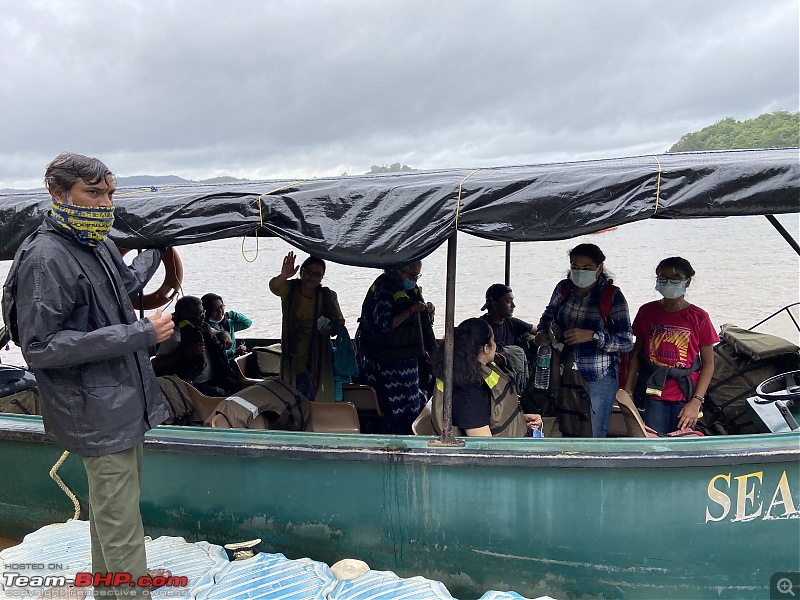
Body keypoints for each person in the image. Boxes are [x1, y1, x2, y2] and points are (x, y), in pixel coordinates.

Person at [1, 152, 174, 597]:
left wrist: (155, 250)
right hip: (95, 411)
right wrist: (140, 333)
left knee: (112, 514)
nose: (104, 204)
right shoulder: (46, 258)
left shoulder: (93, 242)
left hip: (121, 405)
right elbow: (40, 347)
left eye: (109, 193)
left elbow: (126, 286)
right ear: (59, 194)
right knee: (121, 524)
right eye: (92, 193)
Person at [535, 243, 634, 437]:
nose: (580, 272)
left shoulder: (612, 296)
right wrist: (541, 332)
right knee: (564, 427)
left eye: (587, 268)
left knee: (594, 432)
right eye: (575, 267)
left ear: (600, 267)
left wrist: (593, 336)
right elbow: (548, 316)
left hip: (597, 377)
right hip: (562, 373)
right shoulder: (564, 288)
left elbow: (626, 342)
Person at [623, 257, 718, 434]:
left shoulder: (699, 317)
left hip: (685, 395)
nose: (669, 282)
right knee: (653, 443)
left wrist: (696, 401)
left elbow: (709, 363)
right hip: (652, 393)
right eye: (663, 277)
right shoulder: (646, 311)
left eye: (676, 278)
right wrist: (627, 390)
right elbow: (635, 354)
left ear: (687, 281)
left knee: (682, 445)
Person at [357, 260, 437, 434]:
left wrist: (427, 311)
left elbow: (421, 324)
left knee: (414, 404)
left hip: (410, 359)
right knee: (395, 408)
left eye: (417, 275)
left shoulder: (410, 289)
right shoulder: (383, 289)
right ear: (399, 272)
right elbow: (384, 325)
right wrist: (411, 310)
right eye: (412, 275)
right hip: (386, 362)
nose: (415, 279)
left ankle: (412, 435)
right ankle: (397, 439)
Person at [430, 318, 542, 437]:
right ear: (486, 348)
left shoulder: (468, 372)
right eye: (493, 341)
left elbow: (489, 418)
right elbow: (482, 443)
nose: (495, 345)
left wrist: (520, 420)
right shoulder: (470, 391)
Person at [269, 252, 345, 402]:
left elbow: (339, 323)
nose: (312, 276)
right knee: (291, 396)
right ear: (301, 270)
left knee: (314, 396)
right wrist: (284, 275)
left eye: (317, 274)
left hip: (318, 356)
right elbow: (274, 287)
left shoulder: (326, 295)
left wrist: (329, 329)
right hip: (292, 354)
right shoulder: (290, 289)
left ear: (322, 277)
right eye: (309, 271)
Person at [154, 295, 242, 397]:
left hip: (213, 377)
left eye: (202, 312)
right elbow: (157, 364)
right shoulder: (173, 335)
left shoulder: (202, 326)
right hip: (192, 384)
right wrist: (185, 353)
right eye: (198, 314)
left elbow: (215, 333)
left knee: (236, 386)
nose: (203, 316)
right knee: (220, 394)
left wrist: (224, 334)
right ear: (184, 316)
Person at [480, 283, 537, 352]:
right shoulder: (481, 327)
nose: (513, 305)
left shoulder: (511, 322)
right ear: (495, 305)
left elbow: (536, 329)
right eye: (508, 301)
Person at [201, 293, 252, 361]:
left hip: (233, 362)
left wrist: (230, 314)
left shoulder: (228, 324)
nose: (220, 311)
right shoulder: (206, 328)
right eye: (215, 309)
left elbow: (247, 323)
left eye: (221, 307)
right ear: (207, 312)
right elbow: (213, 353)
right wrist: (234, 352)